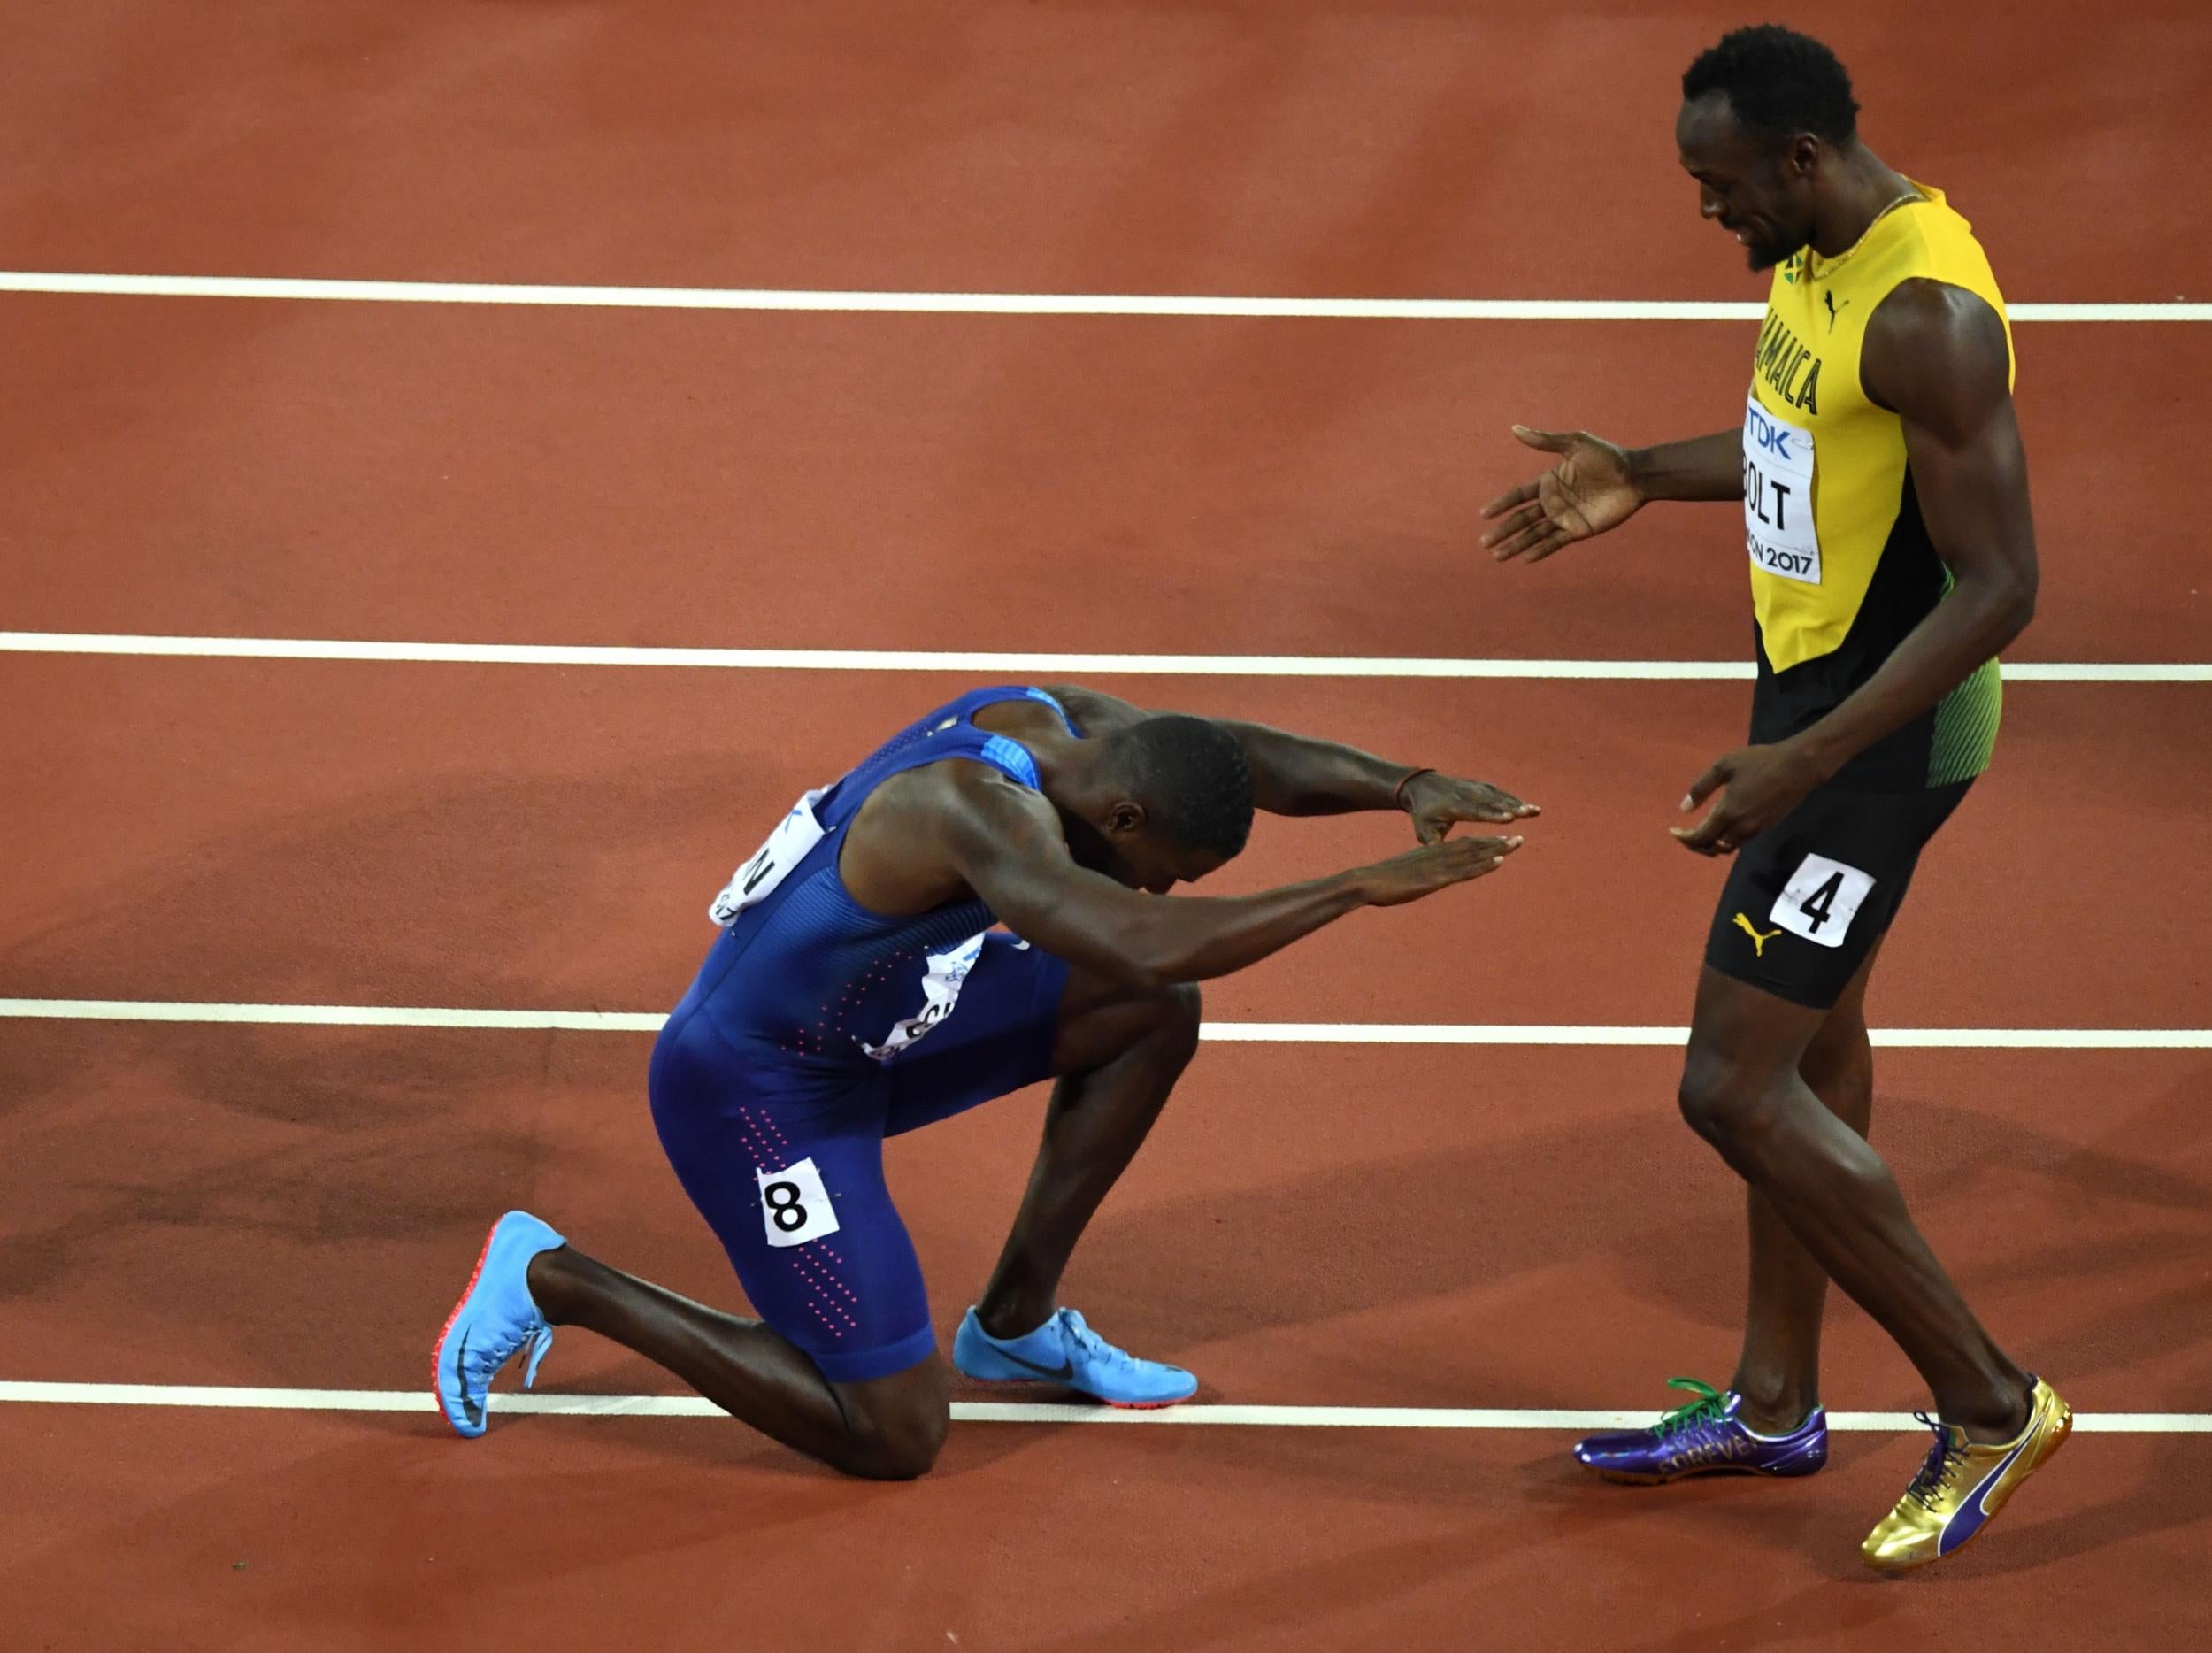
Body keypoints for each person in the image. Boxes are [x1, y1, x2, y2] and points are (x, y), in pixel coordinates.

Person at [1479, 25, 2067, 1571]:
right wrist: (1641, 475)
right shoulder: (1818, 258)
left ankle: (1994, 1400)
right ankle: (1774, 1399)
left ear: (1798, 160)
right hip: (1808, 703)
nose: (1707, 214)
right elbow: (1796, 440)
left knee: (1733, 1086)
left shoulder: (1928, 310)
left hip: (1883, 743)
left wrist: (1807, 762)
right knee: (1819, 1045)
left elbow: (2002, 587)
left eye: (1720, 185)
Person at [434, 683, 1534, 1478]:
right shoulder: (972, 810)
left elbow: (1235, 755)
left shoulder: (1083, 729)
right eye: (1169, 868)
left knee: (1149, 1015)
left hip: (880, 1032)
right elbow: (1134, 934)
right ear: (1125, 821)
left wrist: (1403, 782)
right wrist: (1361, 886)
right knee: (894, 1435)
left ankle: (1012, 1323)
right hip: (757, 1092)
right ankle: (559, 1281)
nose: (1161, 884)